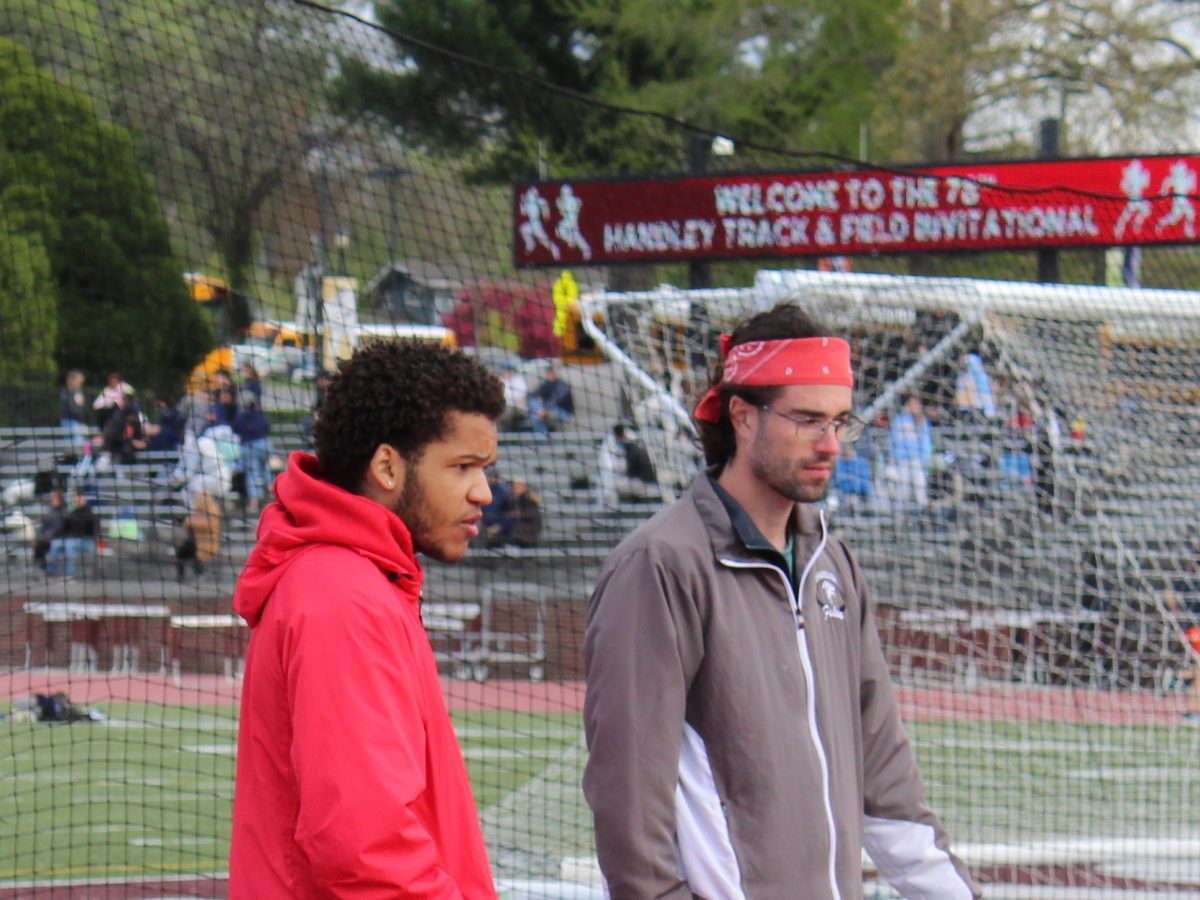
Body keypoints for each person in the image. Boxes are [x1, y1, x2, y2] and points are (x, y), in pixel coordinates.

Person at [582, 303, 978, 899]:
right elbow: (630, 798)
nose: (831, 444)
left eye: (842, 421)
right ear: (742, 415)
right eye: (807, 420)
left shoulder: (833, 565)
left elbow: (884, 779)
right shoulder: (661, 565)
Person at [229, 340, 503, 898]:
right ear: (386, 466)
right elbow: (365, 849)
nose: (484, 492)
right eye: (462, 467)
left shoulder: (355, 579)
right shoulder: (342, 596)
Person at [887, 392, 933, 513]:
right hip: (902, 460)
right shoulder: (899, 420)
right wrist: (892, 457)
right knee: (903, 492)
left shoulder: (922, 421)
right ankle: (901, 516)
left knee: (920, 489)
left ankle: (924, 514)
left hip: (917, 460)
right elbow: (893, 440)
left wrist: (925, 459)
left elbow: (926, 442)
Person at [231, 394, 272, 515]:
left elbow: (235, 430)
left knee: (252, 473)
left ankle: (254, 502)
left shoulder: (240, 417)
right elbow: (267, 428)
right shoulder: (260, 415)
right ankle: (272, 492)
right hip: (264, 444)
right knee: (266, 468)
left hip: (248, 446)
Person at [46, 489, 100, 579]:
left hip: (87, 541)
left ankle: (70, 574)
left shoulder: (89, 512)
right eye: (75, 498)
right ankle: (51, 573)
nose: (77, 500)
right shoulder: (71, 512)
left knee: (69, 545)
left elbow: (94, 529)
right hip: (70, 539)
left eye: (79, 498)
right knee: (55, 544)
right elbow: (65, 527)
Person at [528, 365, 574, 437]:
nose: (550, 375)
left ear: (556, 373)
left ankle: (544, 438)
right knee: (534, 410)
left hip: (563, 412)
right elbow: (533, 395)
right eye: (549, 373)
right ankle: (544, 439)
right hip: (546, 410)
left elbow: (554, 400)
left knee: (536, 415)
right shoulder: (546, 384)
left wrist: (544, 410)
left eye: (552, 372)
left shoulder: (562, 385)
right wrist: (539, 403)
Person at [33, 488, 67, 572]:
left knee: (42, 543)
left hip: (58, 536)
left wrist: (47, 535)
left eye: (54, 497)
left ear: (59, 499)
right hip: (47, 536)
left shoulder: (63, 511)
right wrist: (40, 535)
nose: (51, 499)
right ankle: (41, 566)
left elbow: (58, 527)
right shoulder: (50, 511)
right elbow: (44, 525)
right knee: (38, 542)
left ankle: (44, 568)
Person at [506, 478, 543, 548]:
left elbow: (531, 514)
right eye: (514, 487)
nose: (514, 489)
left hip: (528, 534)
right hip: (526, 533)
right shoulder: (520, 499)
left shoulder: (528, 499)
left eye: (517, 487)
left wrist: (518, 514)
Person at [59, 370, 89, 449]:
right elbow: (73, 407)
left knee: (79, 442)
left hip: (77, 421)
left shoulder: (78, 392)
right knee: (74, 443)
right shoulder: (68, 392)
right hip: (71, 420)